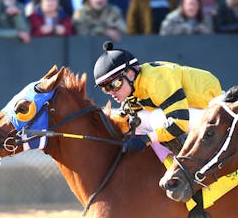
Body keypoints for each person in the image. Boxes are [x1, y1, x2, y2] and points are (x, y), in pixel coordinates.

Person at [93, 41, 223, 154]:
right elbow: (120, 120)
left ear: (130, 74)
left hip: (213, 110)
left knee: (156, 119)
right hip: (193, 109)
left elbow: (179, 123)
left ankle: (186, 168)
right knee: (136, 121)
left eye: (114, 84)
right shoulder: (134, 89)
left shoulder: (156, 81)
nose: (111, 92)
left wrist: (146, 139)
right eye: (105, 88)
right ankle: (168, 165)